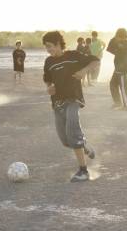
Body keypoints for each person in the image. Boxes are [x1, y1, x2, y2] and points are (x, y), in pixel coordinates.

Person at [42, 31, 99, 182]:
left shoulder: (73, 56)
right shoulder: (49, 62)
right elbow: (47, 79)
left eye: (50, 46)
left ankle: (83, 171)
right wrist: (49, 87)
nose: (48, 50)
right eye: (46, 47)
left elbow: (95, 61)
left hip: (73, 99)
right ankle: (84, 146)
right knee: (66, 141)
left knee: (73, 132)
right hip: (57, 103)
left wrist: (84, 71)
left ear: (58, 44)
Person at [107, 28, 127, 110]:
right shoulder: (117, 42)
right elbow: (109, 49)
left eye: (117, 36)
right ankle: (117, 103)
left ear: (121, 36)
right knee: (112, 84)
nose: (116, 38)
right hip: (117, 67)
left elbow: (124, 51)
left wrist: (118, 45)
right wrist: (115, 40)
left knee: (123, 87)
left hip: (123, 68)